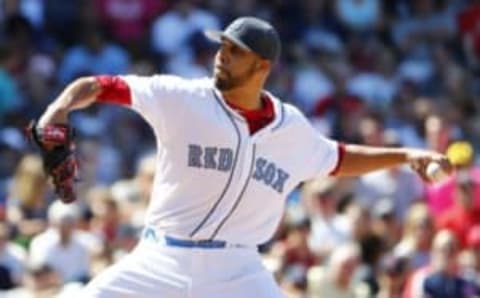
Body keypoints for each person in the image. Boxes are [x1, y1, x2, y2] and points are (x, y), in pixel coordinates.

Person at [36, 16, 451, 298]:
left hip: (238, 269)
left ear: (262, 65)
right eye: (223, 47)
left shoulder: (291, 128)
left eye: (235, 51)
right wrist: (58, 109)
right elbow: (98, 85)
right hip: (161, 257)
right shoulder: (182, 98)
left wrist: (405, 155)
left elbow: (339, 157)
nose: (222, 55)